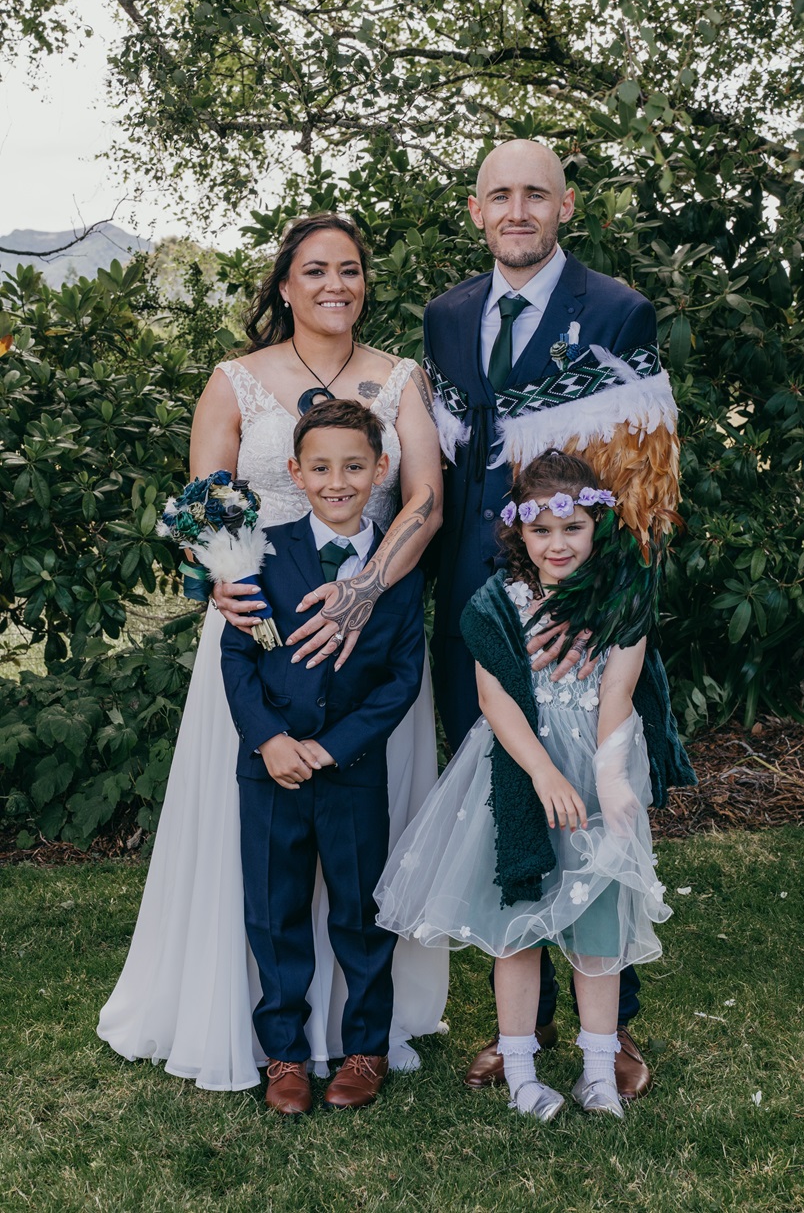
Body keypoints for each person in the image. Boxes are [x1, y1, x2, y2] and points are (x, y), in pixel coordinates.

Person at [98, 213, 447, 1089]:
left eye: (352, 269)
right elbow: (202, 508)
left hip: (372, 635)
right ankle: (266, 1028)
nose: (337, 283)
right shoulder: (234, 382)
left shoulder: (401, 378)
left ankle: (361, 1030)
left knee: (365, 848)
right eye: (316, 269)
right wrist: (213, 575)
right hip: (261, 630)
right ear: (283, 285)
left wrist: (366, 594)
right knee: (266, 861)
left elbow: (426, 502)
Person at [422, 139, 693, 1095]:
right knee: (508, 798)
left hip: (582, 608)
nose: (518, 209)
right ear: (475, 210)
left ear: (565, 206)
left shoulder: (618, 310)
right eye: (500, 195)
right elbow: (444, 474)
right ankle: (519, 1032)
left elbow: (641, 485)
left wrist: (607, 611)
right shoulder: (447, 316)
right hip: (478, 602)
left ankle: (608, 1031)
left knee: (595, 803)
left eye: (535, 193)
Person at [377, 451, 672, 1120]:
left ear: (595, 526)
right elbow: (495, 700)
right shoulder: (496, 604)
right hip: (517, 767)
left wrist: (606, 778)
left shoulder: (621, 599)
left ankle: (598, 1070)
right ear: (518, 534)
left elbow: (618, 695)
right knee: (516, 923)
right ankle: (520, 1074)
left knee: (597, 927)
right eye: (540, 531)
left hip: (597, 761)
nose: (557, 544)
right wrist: (541, 772)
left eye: (570, 530)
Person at [222, 400, 425, 1115]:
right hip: (270, 768)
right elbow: (237, 655)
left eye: (352, 466)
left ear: (378, 471)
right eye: (320, 467)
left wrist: (334, 747)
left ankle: (363, 1049)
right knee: (274, 913)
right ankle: (283, 1054)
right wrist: (270, 739)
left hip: (351, 771)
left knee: (359, 913)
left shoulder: (392, 571)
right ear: (295, 473)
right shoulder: (262, 551)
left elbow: (402, 677)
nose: (337, 481)